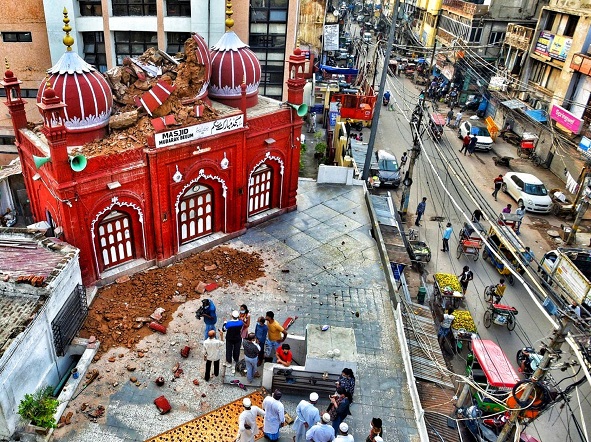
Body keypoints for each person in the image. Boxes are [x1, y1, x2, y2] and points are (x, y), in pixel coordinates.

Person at [223, 310, 244, 374]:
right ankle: (236, 359)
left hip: (230, 338)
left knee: (229, 349)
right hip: (237, 338)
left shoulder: (229, 323)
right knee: (237, 349)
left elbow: (223, 329)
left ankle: (229, 361)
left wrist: (225, 322)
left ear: (232, 316)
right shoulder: (241, 323)